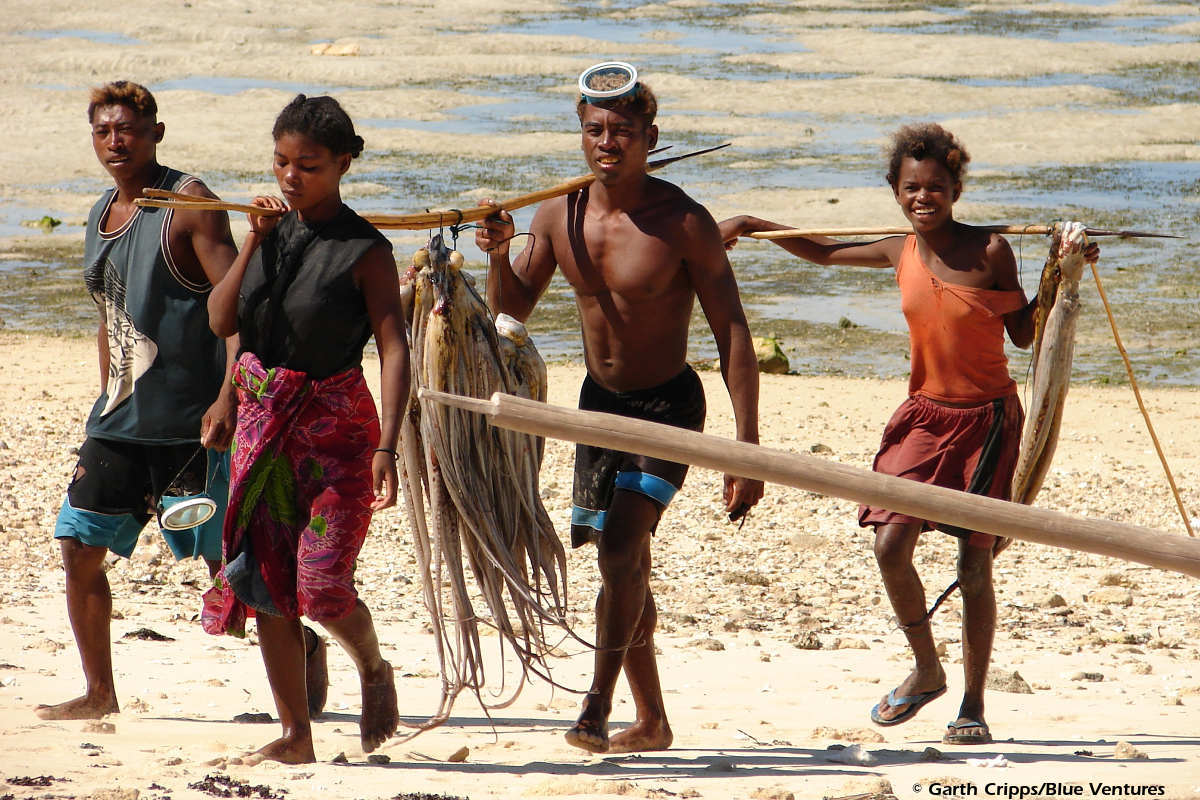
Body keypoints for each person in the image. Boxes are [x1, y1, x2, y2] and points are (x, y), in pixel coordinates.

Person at [720, 122, 1099, 745]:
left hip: (988, 426)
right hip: (923, 417)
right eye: (911, 187)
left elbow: (1025, 335)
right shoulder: (900, 250)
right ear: (895, 190)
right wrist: (753, 223)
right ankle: (927, 669)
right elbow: (822, 252)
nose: (924, 198)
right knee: (890, 545)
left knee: (975, 567)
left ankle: (974, 705)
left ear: (956, 189)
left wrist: (1065, 270)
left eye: (937, 188)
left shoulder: (992, 252)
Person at [476, 66, 764, 755]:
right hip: (597, 406)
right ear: (582, 135)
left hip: (669, 406)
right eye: (594, 130)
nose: (608, 142)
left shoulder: (684, 222)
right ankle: (654, 720)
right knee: (623, 567)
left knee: (621, 547)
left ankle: (598, 704)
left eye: (623, 132)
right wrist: (494, 253)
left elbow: (734, 332)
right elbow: (511, 310)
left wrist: (746, 449)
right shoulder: (558, 214)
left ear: (650, 137)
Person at [204, 94, 409, 765]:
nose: (291, 177)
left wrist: (387, 446)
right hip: (263, 431)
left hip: (338, 438)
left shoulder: (365, 250)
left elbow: (394, 348)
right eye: (282, 161)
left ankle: (373, 666)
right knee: (265, 585)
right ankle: (296, 735)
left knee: (320, 586)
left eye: (310, 165)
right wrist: (257, 240)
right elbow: (224, 322)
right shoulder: (269, 233)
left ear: (344, 164)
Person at [36, 80, 247, 721]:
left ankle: (309, 655)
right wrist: (105, 398)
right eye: (102, 131)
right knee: (78, 547)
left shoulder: (191, 204)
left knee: (230, 569)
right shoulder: (103, 212)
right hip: (120, 424)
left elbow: (239, 312)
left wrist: (228, 400)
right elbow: (110, 315)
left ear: (155, 131)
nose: (114, 141)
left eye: (126, 128)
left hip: (193, 425)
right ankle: (99, 693)